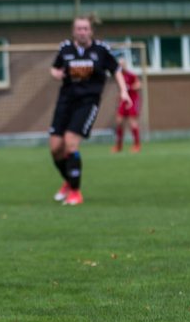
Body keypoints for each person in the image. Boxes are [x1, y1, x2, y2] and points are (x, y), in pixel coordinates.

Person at [49, 15, 131, 206]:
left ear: (91, 31)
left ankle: (76, 193)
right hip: (65, 101)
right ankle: (69, 181)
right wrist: (57, 74)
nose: (82, 32)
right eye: (79, 29)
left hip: (88, 102)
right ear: (73, 31)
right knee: (55, 149)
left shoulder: (101, 50)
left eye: (85, 28)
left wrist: (124, 91)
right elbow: (54, 69)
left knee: (70, 143)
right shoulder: (65, 49)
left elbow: (116, 70)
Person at [110, 60, 142, 153]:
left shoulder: (131, 75)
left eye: (123, 64)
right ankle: (118, 145)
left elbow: (139, 85)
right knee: (119, 122)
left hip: (132, 100)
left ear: (125, 65)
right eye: (119, 65)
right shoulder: (118, 76)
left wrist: (130, 87)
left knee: (132, 122)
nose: (121, 66)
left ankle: (137, 145)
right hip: (123, 101)